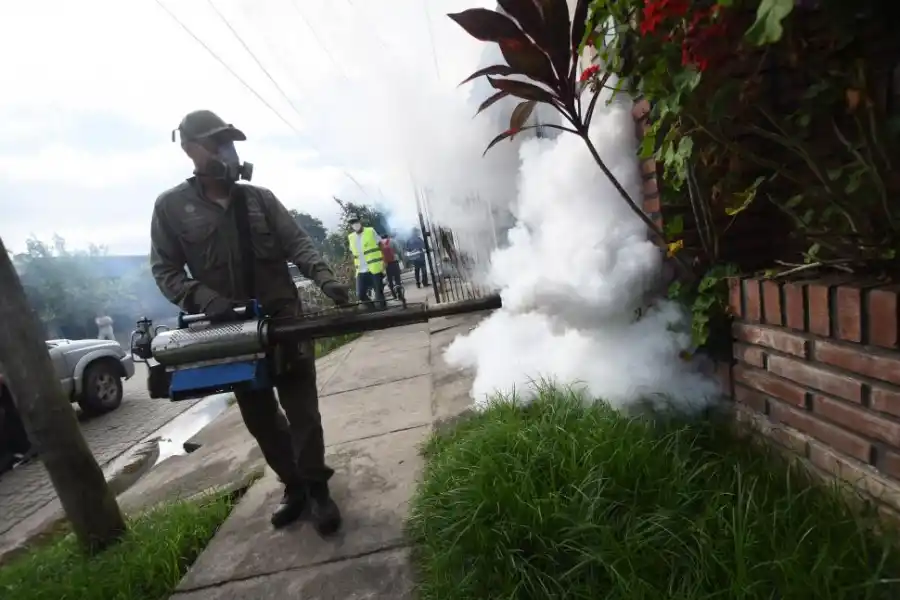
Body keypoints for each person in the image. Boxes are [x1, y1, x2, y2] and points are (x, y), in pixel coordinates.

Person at [149, 110, 351, 535]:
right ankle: (293, 485)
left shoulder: (260, 199)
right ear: (190, 149)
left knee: (303, 413)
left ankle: (317, 487)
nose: (228, 152)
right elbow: (165, 271)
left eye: (230, 142)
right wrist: (205, 299)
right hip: (234, 334)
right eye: (217, 143)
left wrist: (327, 279)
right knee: (261, 419)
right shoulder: (172, 208)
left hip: (285, 322)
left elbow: (298, 244)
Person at [347, 215, 386, 309]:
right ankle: (373, 309)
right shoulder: (351, 237)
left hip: (374, 268)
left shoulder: (370, 231)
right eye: (352, 223)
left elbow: (381, 245)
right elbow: (353, 253)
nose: (354, 224)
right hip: (360, 270)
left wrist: (384, 261)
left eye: (356, 222)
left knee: (379, 293)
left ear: (360, 222)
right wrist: (351, 266)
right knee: (360, 294)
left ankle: (383, 310)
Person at [379, 233, 403, 299]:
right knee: (397, 278)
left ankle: (394, 295)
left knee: (389, 280)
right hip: (394, 262)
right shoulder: (392, 241)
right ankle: (400, 294)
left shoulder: (379, 243)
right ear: (388, 237)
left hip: (385, 264)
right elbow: (398, 251)